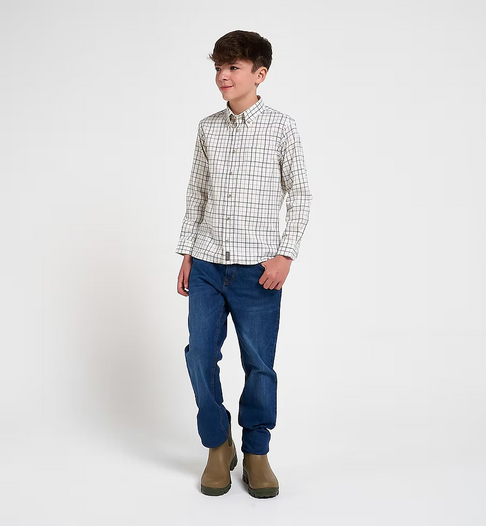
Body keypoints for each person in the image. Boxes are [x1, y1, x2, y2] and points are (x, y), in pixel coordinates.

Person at [176, 29, 312, 498]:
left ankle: (257, 451)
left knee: (259, 364)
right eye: (218, 67)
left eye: (233, 67)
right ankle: (218, 445)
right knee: (199, 355)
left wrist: (286, 254)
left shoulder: (282, 127)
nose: (222, 76)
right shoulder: (207, 128)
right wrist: (187, 252)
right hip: (207, 264)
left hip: (259, 272)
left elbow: (301, 194)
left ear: (260, 74)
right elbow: (197, 192)